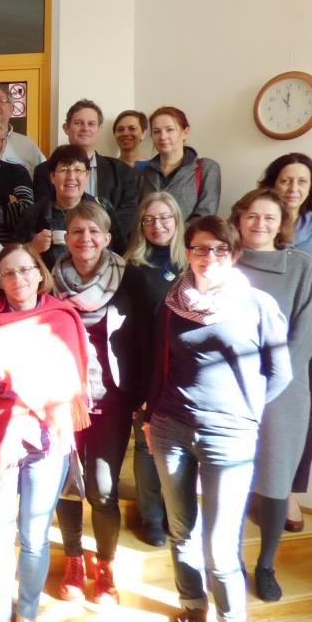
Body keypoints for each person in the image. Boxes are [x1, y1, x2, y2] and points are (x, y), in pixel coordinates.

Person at [144, 215, 290, 622]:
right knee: (182, 532)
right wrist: (149, 417)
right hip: (170, 428)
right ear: (187, 252)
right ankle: (193, 614)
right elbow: (158, 363)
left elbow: (280, 372)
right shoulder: (172, 302)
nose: (210, 257)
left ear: (234, 253)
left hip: (229, 436)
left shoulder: (258, 304)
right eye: (200, 248)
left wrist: (245, 415)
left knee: (220, 543)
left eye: (220, 249)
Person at [0, 244, 89, 622]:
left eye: (26, 270)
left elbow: (67, 378)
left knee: (33, 537)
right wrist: (23, 378)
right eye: (8, 273)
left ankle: (26, 618)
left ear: (39, 273)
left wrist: (9, 378)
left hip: (46, 440)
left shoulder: (61, 317)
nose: (18, 279)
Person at [50, 201, 154, 605]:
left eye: (94, 231)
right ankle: (74, 560)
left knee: (103, 489)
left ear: (108, 238)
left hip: (111, 398)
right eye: (77, 231)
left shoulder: (131, 279)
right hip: (62, 398)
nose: (86, 239)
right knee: (68, 484)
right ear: (67, 237)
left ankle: (105, 566)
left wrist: (142, 396)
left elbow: (146, 340)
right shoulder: (51, 277)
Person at [230, 188, 312, 601]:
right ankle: (230, 560)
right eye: (252, 216)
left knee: (275, 478)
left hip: (283, 391)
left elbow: (304, 335)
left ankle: (265, 564)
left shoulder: (300, 266)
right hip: (230, 388)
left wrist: (269, 385)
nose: (259, 224)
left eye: (269, 218)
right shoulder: (225, 260)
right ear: (239, 219)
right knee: (229, 477)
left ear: (281, 225)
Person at [259, 153, 312, 531]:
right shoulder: (260, 222)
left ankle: (289, 493)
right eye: (286, 180)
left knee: (306, 418)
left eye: (302, 181)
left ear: (311, 188)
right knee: (261, 413)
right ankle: (260, 487)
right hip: (264, 337)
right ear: (273, 183)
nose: (293, 188)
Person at [123, 191, 188, 546]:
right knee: (146, 445)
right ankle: (151, 516)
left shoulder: (192, 263)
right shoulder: (133, 267)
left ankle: (175, 512)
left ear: (177, 221)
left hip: (186, 373)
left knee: (179, 448)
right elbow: (129, 329)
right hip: (147, 371)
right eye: (149, 220)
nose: (157, 225)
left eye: (164, 218)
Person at [31, 100, 138, 242]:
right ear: (66, 128)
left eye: (91, 124)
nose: (85, 128)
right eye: (78, 123)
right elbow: (43, 214)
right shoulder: (44, 171)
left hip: (108, 246)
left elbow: (128, 214)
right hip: (60, 245)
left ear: (99, 130)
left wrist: (98, 240)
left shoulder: (122, 171)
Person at [16, 145, 122, 268]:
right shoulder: (34, 214)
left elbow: (120, 251)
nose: (71, 177)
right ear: (52, 176)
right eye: (64, 170)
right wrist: (32, 248)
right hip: (49, 279)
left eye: (78, 170)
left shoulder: (102, 208)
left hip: (97, 278)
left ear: (87, 175)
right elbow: (13, 259)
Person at [137, 106, 221, 223]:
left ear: (185, 132)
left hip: (190, 235)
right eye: (156, 131)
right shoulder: (142, 173)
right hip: (150, 235)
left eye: (169, 130)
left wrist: (173, 232)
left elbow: (205, 216)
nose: (163, 136)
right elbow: (138, 215)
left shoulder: (207, 168)